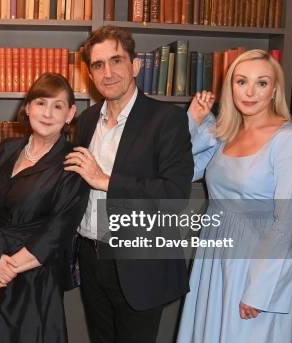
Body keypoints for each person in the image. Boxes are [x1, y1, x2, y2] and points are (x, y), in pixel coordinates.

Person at [64, 26, 193, 343]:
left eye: (116, 61)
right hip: (91, 258)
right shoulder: (87, 119)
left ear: (135, 66)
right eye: (98, 65)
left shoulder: (167, 120)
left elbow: (174, 196)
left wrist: (104, 180)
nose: (108, 73)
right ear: (90, 74)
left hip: (139, 264)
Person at [176, 49, 292, 342]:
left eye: (261, 83)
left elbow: (287, 222)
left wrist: (261, 289)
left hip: (257, 260)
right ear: (230, 87)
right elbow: (182, 171)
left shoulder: (289, 140)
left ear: (274, 88)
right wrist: (192, 120)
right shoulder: (225, 132)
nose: (249, 92)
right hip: (216, 252)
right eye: (241, 82)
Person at [0, 72, 87, 343]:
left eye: (57, 106)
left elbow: (58, 233)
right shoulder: (6, 149)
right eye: (41, 103)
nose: (47, 113)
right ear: (28, 107)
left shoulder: (73, 162)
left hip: (34, 281)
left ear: (70, 114)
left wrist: (7, 268)